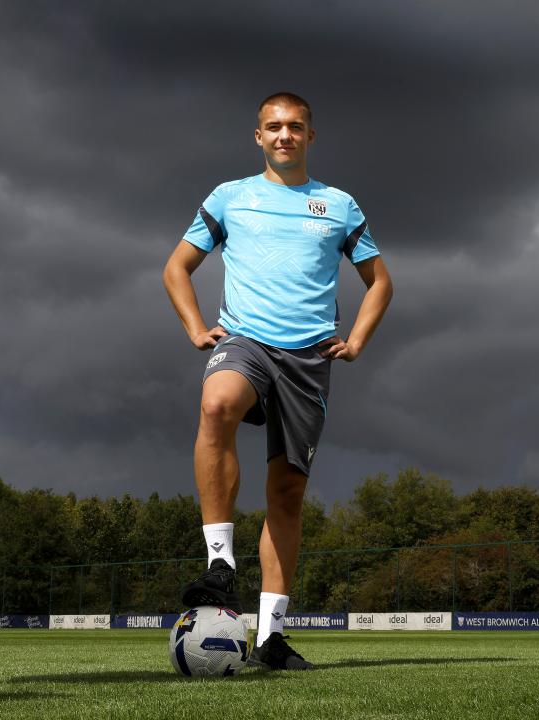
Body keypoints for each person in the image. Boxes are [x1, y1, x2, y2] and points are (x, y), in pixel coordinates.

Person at [162, 92, 393, 670]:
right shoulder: (230, 197)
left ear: (310, 136)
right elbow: (176, 267)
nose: (284, 135)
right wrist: (196, 328)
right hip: (245, 340)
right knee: (217, 404)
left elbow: (380, 282)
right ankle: (221, 563)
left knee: (286, 494)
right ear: (258, 136)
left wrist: (357, 340)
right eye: (273, 127)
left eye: (294, 126)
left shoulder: (339, 206)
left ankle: (270, 638)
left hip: (309, 357)